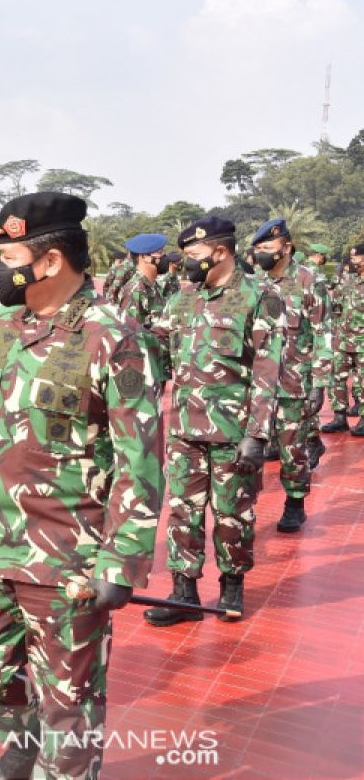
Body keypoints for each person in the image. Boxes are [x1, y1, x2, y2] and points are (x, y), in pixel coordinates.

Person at [0, 192, 164, 779]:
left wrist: (122, 560)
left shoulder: (113, 336)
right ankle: (22, 744)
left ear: (48, 262)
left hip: (69, 555)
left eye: (7, 253)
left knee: (69, 702)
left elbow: (140, 459)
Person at [145, 215, 284, 626]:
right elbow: (155, 348)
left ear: (220, 252)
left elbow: (267, 368)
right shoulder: (183, 298)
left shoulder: (260, 296)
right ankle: (183, 595)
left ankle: (232, 589)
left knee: (232, 515)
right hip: (185, 427)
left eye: (193, 255)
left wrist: (257, 434)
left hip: (233, 431)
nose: (185, 263)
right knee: (182, 512)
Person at [250, 218, 330, 532]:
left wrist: (320, 383)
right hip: (256, 384)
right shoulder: (253, 282)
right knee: (250, 447)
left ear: (286, 246)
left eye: (267, 248)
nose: (261, 255)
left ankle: (295, 502)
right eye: (257, 250)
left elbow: (324, 333)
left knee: (292, 448)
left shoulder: (310, 280)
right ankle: (244, 508)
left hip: (293, 383)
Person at [322, 244, 364, 434]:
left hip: (362, 341)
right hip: (342, 339)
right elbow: (336, 306)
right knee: (336, 379)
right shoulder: (346, 280)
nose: (352, 261)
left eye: (356, 258)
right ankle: (340, 417)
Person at [117, 233, 167, 331]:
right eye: (159, 252)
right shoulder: (135, 290)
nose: (164, 257)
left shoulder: (153, 285)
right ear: (143, 257)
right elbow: (132, 333)